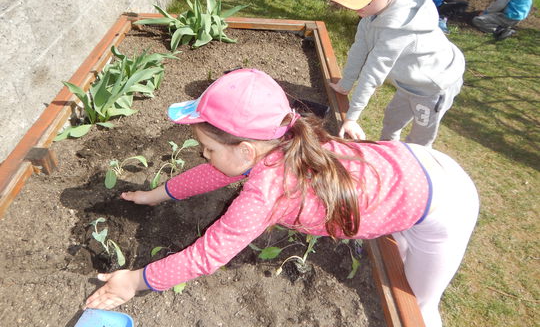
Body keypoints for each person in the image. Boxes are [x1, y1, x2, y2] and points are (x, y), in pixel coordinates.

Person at [85, 69, 479, 327]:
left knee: (417, 302)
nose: (203, 155)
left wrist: (134, 282)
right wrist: (158, 194)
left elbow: (208, 255)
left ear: (244, 150)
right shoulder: (283, 136)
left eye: (206, 147)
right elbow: (215, 171)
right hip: (413, 165)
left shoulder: (267, 193)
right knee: (396, 234)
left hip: (444, 205)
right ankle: (399, 222)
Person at [328, 0, 465, 148]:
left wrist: (351, 117)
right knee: (392, 121)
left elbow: (373, 72)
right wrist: (345, 84)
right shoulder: (373, 11)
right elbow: (359, 48)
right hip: (407, 82)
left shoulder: (398, 30)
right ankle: (388, 154)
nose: (355, 5)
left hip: (433, 87)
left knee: (420, 139)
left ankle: (413, 164)